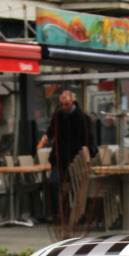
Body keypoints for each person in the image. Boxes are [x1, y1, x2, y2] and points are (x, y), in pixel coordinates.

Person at [37, 89, 96, 221]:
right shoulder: (58, 115)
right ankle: (58, 214)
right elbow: (51, 129)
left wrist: (86, 154)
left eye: (67, 104)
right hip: (59, 158)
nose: (64, 107)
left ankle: (76, 214)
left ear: (72, 102)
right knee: (53, 183)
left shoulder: (81, 117)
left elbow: (88, 138)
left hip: (76, 158)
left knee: (77, 185)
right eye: (62, 104)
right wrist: (47, 136)